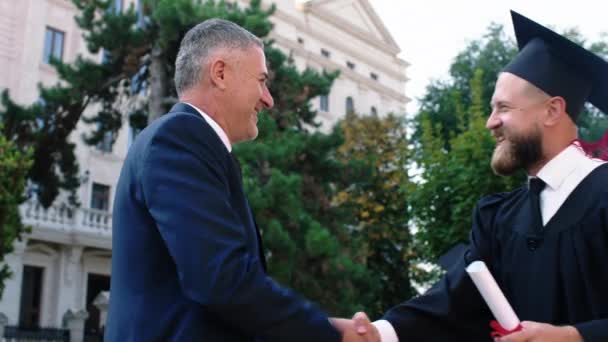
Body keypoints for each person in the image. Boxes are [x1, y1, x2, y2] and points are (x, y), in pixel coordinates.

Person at [352, 11, 608, 342]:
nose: (490, 122)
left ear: (552, 111)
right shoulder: (498, 218)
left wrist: (573, 337)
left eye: (503, 108)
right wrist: (378, 333)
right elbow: (453, 303)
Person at [104, 18, 361, 341]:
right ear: (220, 73)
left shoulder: (196, 147)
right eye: (262, 80)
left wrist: (325, 326)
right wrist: (329, 335)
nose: (268, 99)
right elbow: (221, 280)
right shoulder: (178, 139)